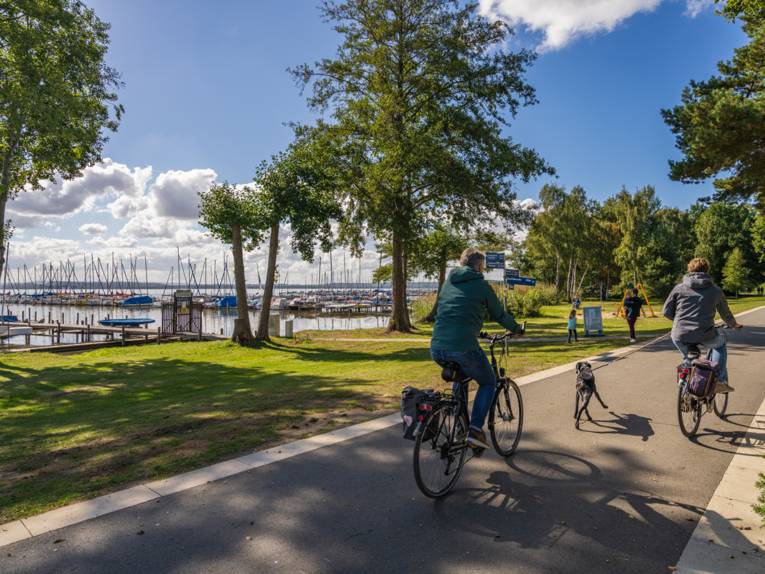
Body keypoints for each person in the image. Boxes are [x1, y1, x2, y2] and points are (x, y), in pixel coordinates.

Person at [430, 247, 524, 451]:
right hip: (463, 346)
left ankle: (459, 424)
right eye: (483, 266)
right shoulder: (481, 285)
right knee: (488, 381)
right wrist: (517, 329)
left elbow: (448, 311)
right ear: (479, 265)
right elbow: (499, 314)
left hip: (437, 347)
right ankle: (474, 429)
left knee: (461, 378)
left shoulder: (448, 283)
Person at [662, 258, 743, 393]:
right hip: (705, 334)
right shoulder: (715, 290)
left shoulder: (679, 288)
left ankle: (684, 387)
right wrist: (734, 325)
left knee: (688, 358)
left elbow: (666, 311)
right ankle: (720, 381)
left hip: (679, 335)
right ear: (707, 270)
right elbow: (725, 313)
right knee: (720, 343)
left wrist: (679, 322)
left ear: (689, 269)